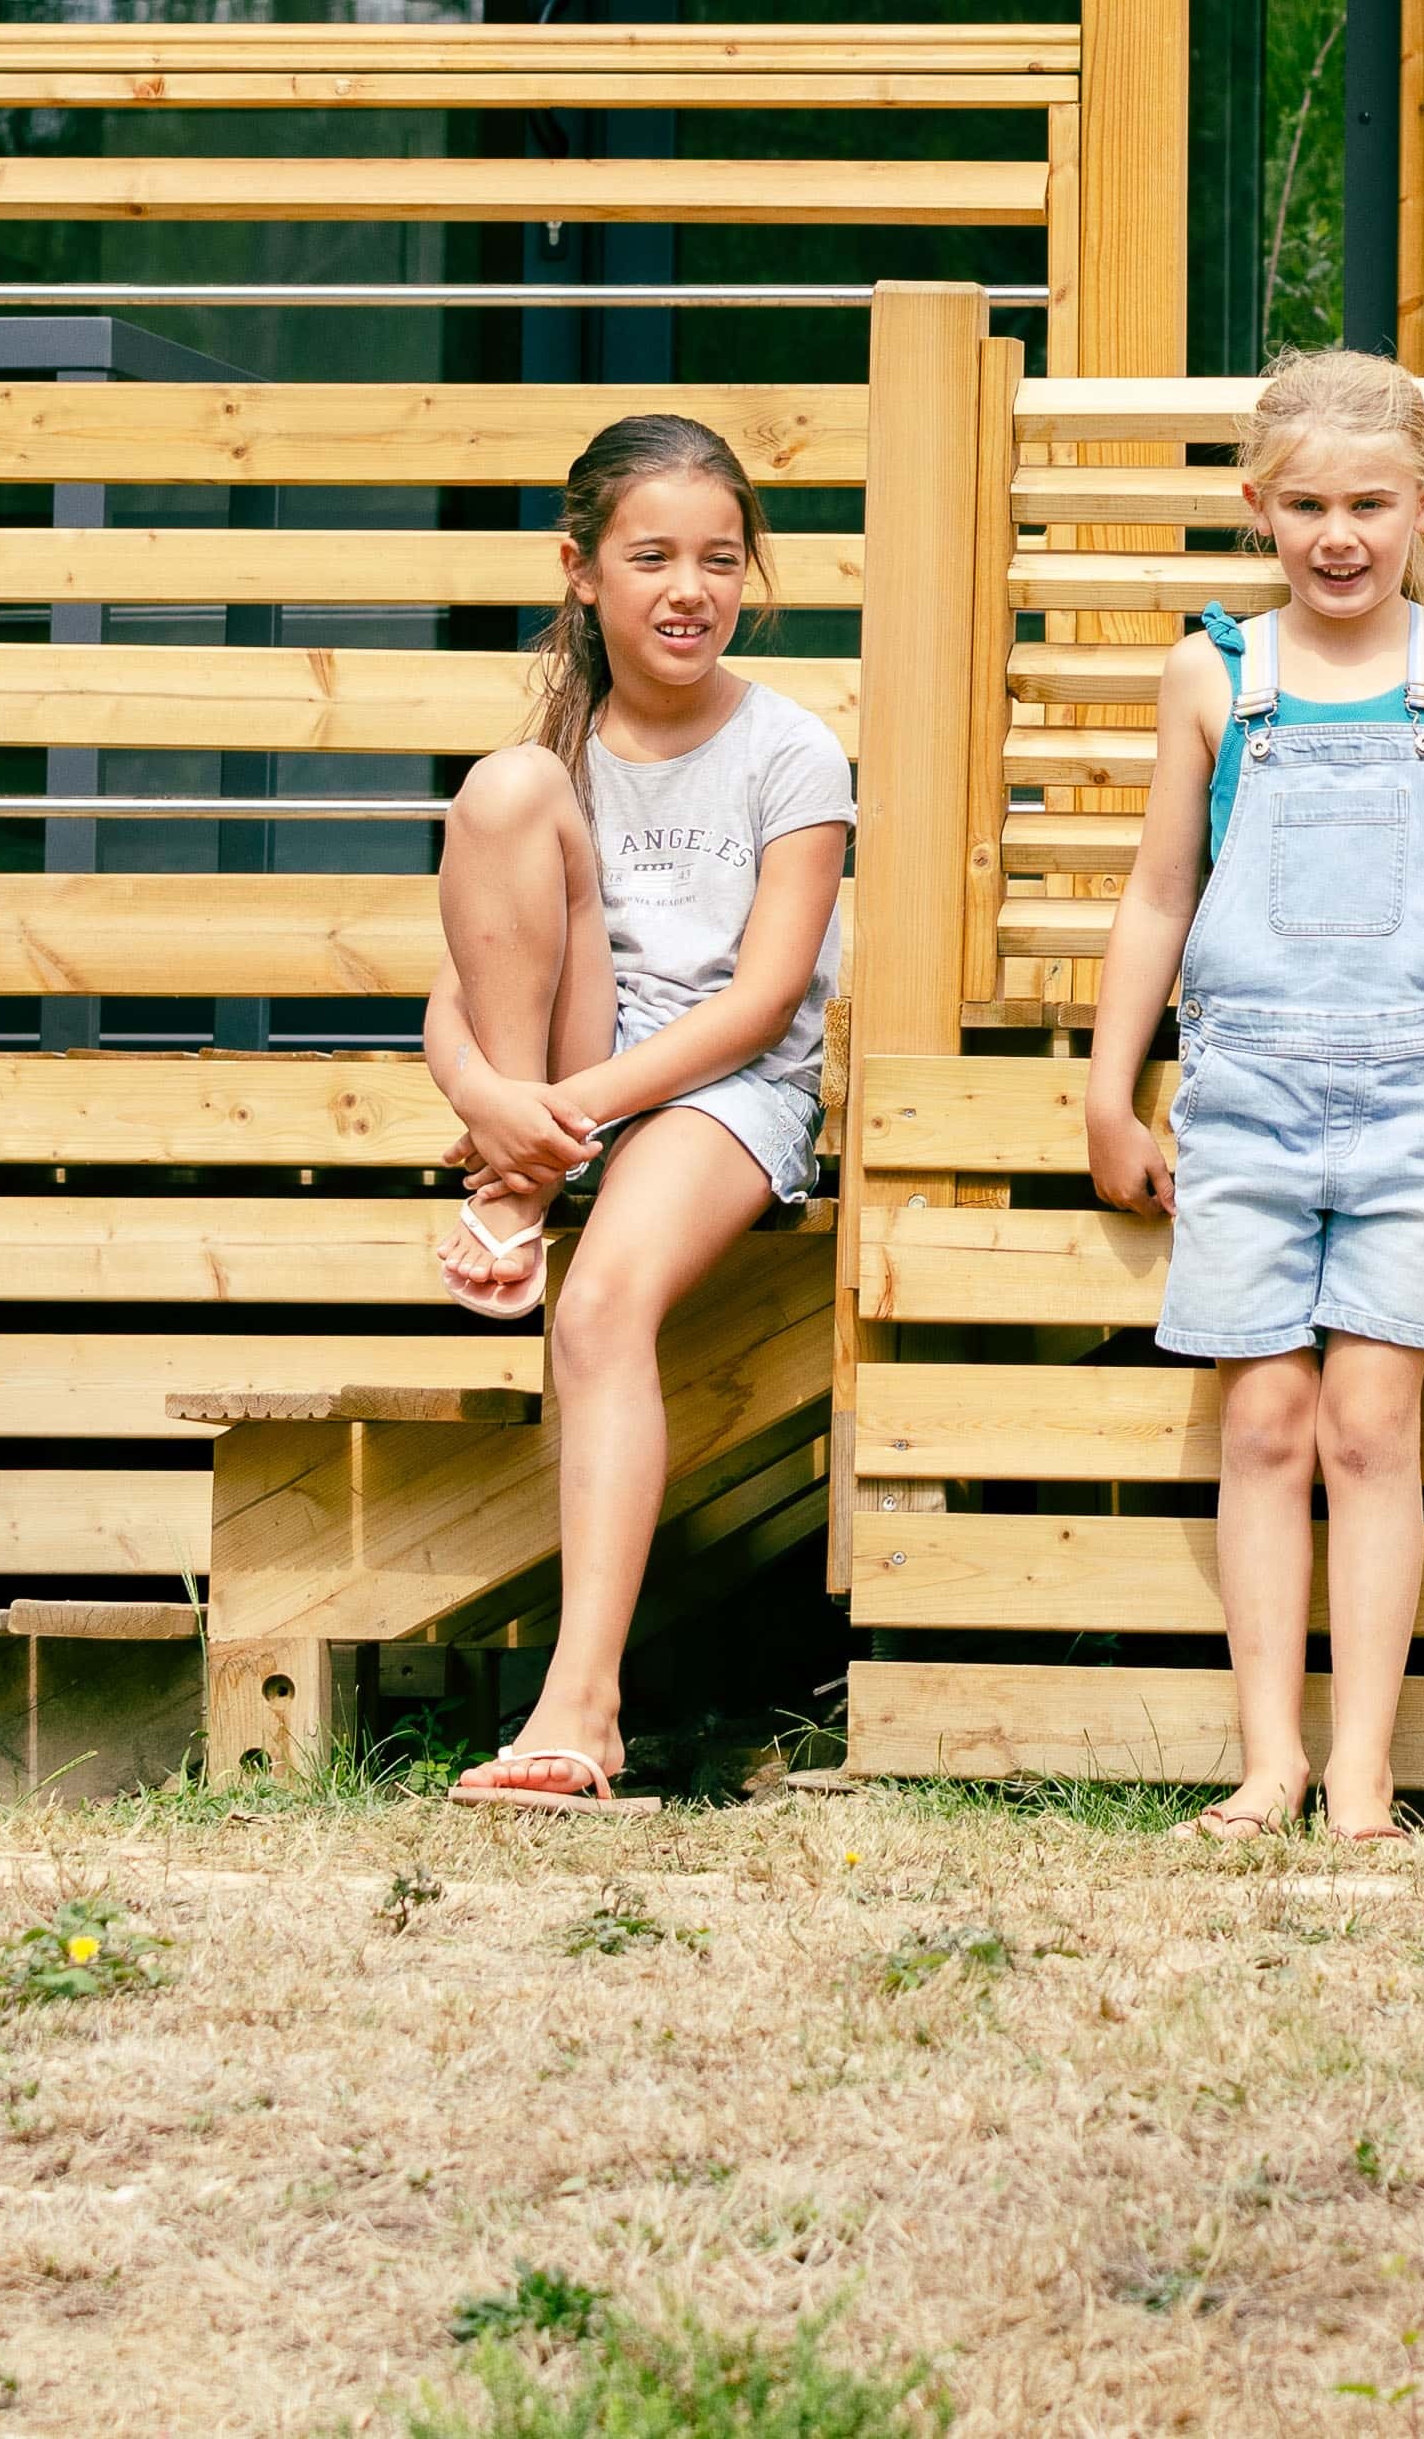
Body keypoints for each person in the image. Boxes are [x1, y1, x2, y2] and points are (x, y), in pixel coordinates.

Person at [1070, 344, 1424, 1843]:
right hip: (1246, 1107)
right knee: (1267, 1430)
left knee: (1370, 1430)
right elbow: (1161, 894)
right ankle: (1266, 1761)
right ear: (1256, 509)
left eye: (1368, 502)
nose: (1337, 535)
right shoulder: (1217, 673)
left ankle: (1362, 1771)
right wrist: (1111, 1088)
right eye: (1305, 506)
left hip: (1420, 1106)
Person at [417, 406, 850, 1811]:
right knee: (503, 788)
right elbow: (452, 996)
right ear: (581, 570)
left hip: (731, 1085)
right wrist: (496, 1102)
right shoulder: (565, 751)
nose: (691, 588)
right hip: (575, 1070)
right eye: (653, 555)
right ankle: (522, 1185)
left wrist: (557, 1114)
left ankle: (581, 1709)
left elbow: (764, 1000)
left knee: (599, 1307)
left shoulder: (792, 751)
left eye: (721, 560)